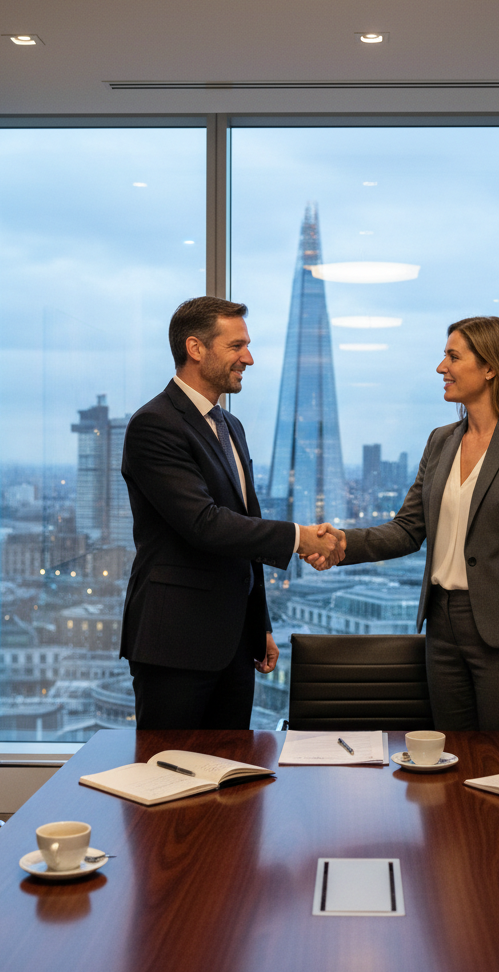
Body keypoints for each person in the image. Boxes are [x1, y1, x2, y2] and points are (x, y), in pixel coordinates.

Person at [313, 316, 499, 730]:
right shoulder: (441, 440)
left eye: (452, 356)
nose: (440, 368)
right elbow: (407, 529)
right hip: (441, 624)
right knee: (450, 755)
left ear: (490, 367)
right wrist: (341, 543)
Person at [120, 297, 344, 730]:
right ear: (196, 348)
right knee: (169, 776)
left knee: (232, 775)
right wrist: (300, 537)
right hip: (176, 645)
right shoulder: (154, 424)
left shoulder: (229, 426)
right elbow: (205, 524)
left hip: (235, 644)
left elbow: (242, 535)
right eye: (237, 346)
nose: (249, 358)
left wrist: (257, 623)